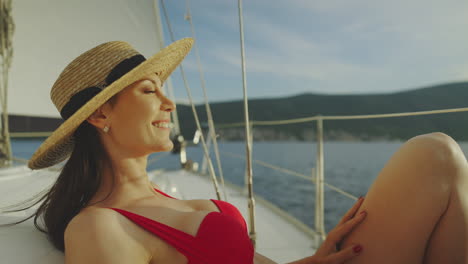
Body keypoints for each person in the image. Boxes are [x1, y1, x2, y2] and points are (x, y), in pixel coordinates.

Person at [23, 38, 467, 264]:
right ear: (100, 116)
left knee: (439, 158)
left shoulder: (159, 199)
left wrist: (310, 259)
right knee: (434, 156)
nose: (169, 102)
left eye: (164, 88)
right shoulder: (97, 227)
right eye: (148, 90)